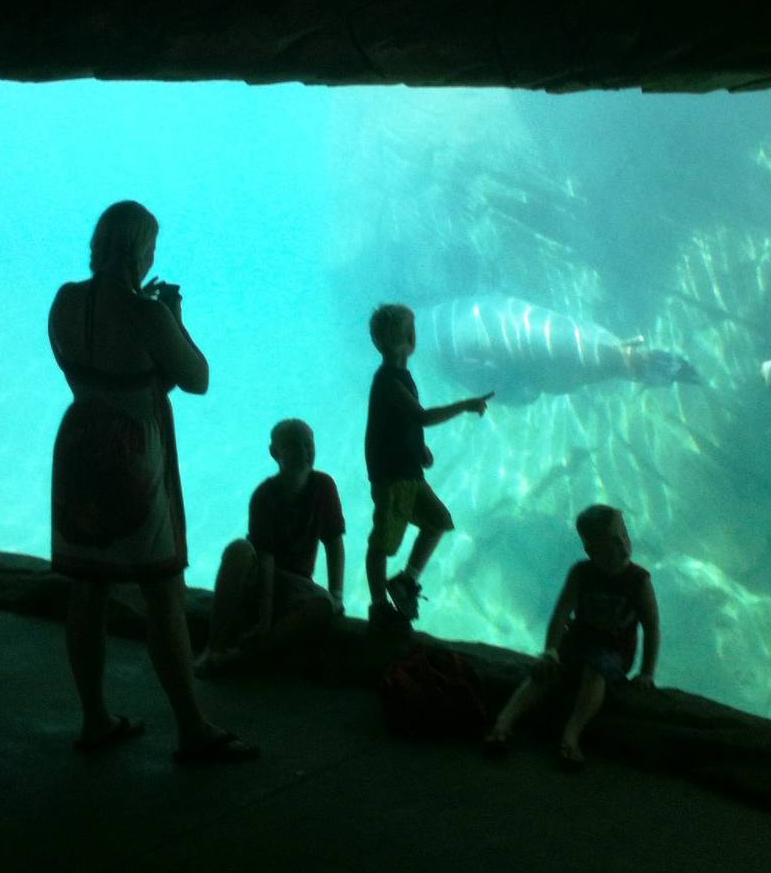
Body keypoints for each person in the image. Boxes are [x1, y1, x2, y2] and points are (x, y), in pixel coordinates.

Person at [48, 200, 256, 764]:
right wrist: (173, 316)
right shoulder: (147, 314)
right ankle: (192, 727)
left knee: (87, 588)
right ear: (138, 251)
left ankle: (95, 718)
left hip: (78, 447)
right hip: (132, 459)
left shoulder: (64, 301)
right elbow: (197, 378)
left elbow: (92, 375)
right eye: (151, 248)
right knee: (162, 592)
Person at [482, 504, 659, 770]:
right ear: (591, 550)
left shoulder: (639, 580)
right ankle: (503, 723)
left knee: (595, 670)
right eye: (611, 542)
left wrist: (646, 673)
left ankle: (571, 735)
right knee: (545, 671)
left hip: (615, 650)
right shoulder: (581, 572)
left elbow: (652, 627)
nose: (623, 545)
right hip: (576, 642)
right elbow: (561, 614)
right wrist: (550, 651)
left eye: (623, 534)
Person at [364, 303, 491, 625]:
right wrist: (464, 404)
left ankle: (406, 581)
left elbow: (398, 423)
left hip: (408, 471)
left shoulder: (400, 377)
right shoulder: (389, 381)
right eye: (410, 331)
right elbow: (420, 416)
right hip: (392, 476)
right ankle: (378, 603)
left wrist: (419, 449)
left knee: (439, 521)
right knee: (383, 543)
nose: (413, 336)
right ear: (408, 340)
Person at [194, 418, 345, 677]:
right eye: (293, 445)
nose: (304, 451)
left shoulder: (324, 486)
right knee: (239, 550)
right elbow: (265, 559)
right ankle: (213, 648)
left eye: (308, 444)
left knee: (323, 604)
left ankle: (239, 658)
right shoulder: (264, 495)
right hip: (259, 579)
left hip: (296, 583)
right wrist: (265, 619)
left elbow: (334, 542)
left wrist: (337, 595)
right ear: (275, 453)